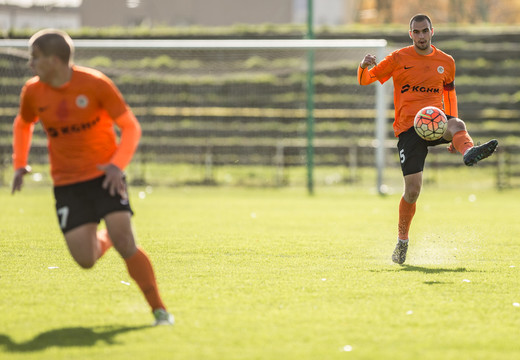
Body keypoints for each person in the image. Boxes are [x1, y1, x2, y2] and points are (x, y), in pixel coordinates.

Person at [11, 29, 174, 325]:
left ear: (54, 60)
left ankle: (160, 311)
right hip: (67, 184)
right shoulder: (32, 92)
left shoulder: (95, 84)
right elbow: (23, 124)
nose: (30, 63)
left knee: (126, 242)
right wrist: (20, 164)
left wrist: (116, 166)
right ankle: (106, 238)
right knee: (85, 260)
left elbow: (131, 127)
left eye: (35, 57)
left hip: (104, 177)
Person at [357, 14, 498, 265]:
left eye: (425, 31)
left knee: (457, 124)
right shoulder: (398, 58)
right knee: (412, 191)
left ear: (433, 31)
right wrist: (363, 65)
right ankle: (402, 241)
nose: (421, 36)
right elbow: (365, 80)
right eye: (416, 32)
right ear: (410, 34)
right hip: (408, 130)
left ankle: (468, 152)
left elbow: (450, 98)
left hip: (435, 122)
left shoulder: (446, 61)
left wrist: (455, 140)